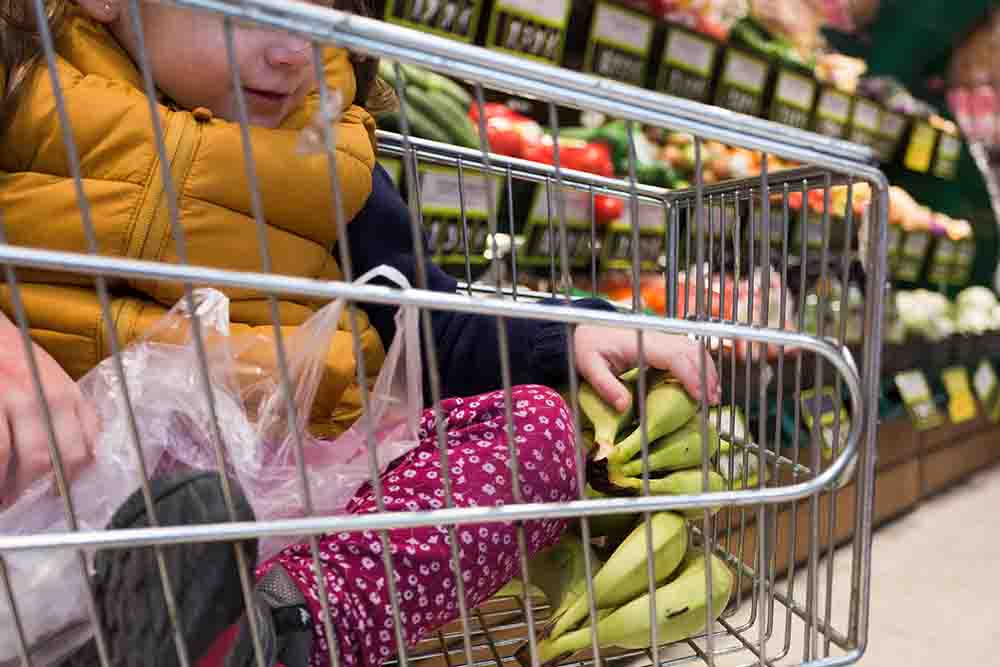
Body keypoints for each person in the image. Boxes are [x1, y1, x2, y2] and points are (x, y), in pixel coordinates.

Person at [0, 1, 721, 665]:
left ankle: (272, 631)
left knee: (539, 433)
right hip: (43, 470)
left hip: (273, 503)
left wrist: (563, 336)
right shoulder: (22, 81)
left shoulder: (331, 153)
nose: (296, 49)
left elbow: (431, 324)